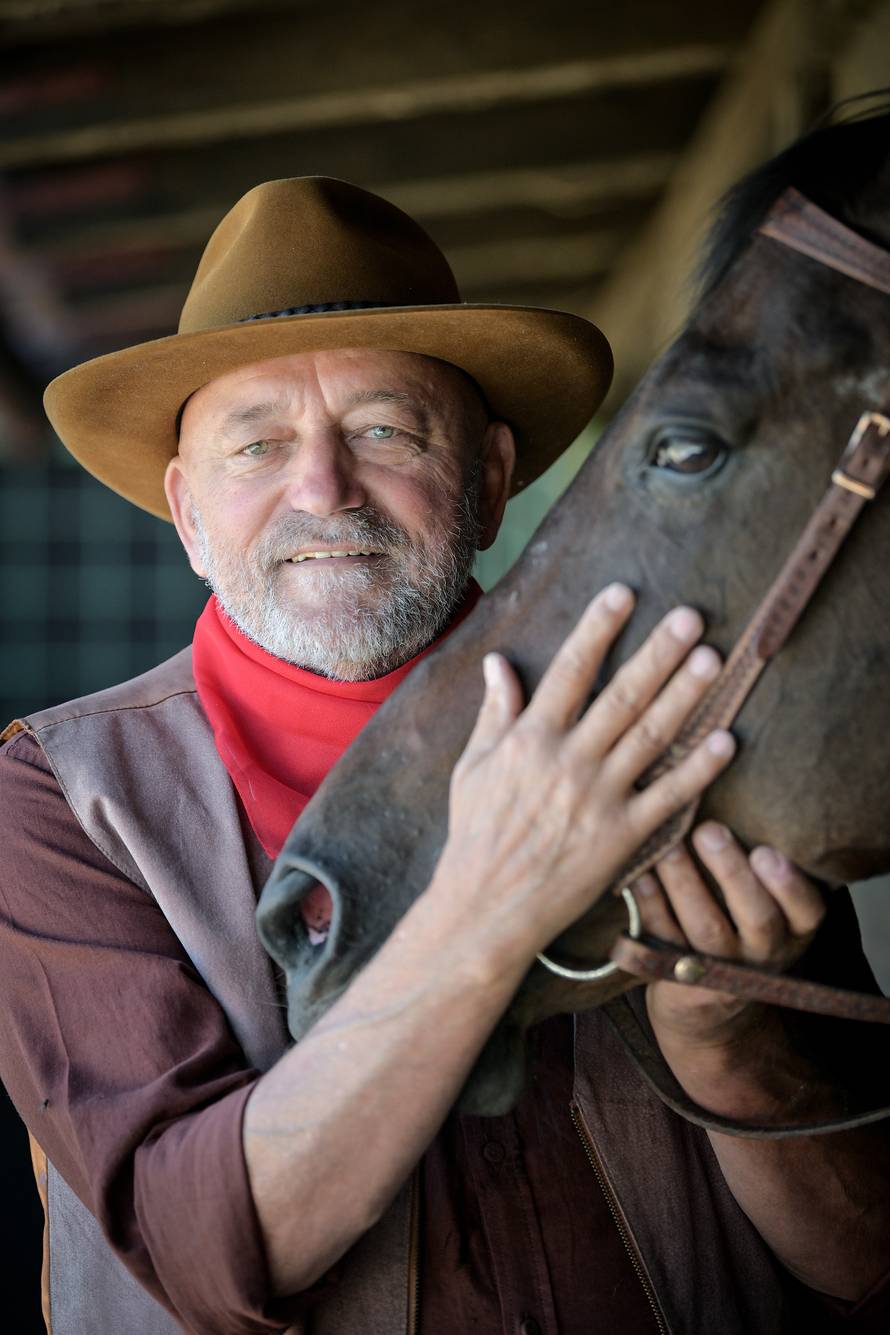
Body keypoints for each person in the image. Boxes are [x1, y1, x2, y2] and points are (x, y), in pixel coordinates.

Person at [0, 176, 887, 1335]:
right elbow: (203, 1252)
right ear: (188, 514)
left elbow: (864, 1259)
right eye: (256, 445)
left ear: (488, 479)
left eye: (383, 430)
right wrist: (492, 899)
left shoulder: (674, 722)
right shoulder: (60, 798)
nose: (320, 490)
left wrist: (724, 1034)